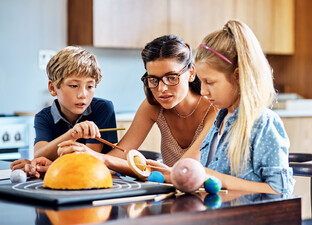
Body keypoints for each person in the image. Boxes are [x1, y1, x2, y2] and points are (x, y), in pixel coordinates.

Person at [149, 20, 295, 195]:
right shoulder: (219, 120)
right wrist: (171, 173)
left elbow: (280, 191)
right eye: (201, 82)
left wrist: (213, 176)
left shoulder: (263, 123)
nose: (203, 91)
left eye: (210, 82)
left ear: (238, 76)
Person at [40, 35, 216, 177]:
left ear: (191, 73)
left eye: (171, 77)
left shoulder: (214, 108)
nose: (162, 89)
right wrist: (57, 167)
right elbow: (116, 158)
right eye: (153, 79)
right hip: (174, 195)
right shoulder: (153, 106)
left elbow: (183, 171)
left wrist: (97, 158)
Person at [10, 46, 118, 175]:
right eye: (74, 85)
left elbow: (87, 161)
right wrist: (73, 133)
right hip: (64, 180)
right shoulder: (43, 117)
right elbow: (39, 155)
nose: (83, 94)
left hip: (101, 181)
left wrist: (51, 165)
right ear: (53, 88)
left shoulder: (103, 108)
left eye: (90, 86)